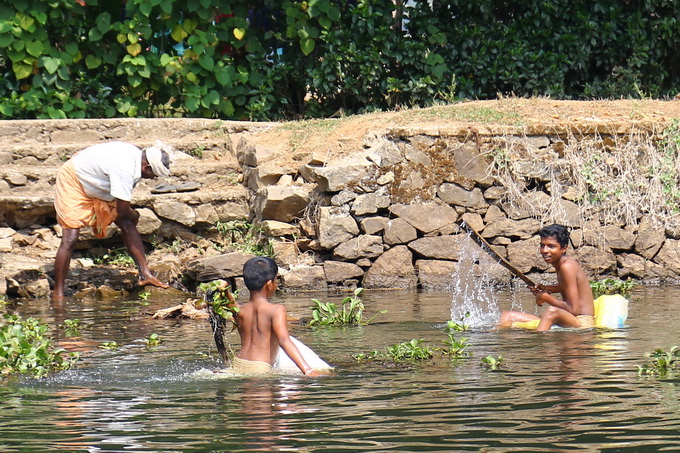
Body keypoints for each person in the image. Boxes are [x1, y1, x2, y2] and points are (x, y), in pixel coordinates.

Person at [52, 141, 171, 300]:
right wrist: (135, 215)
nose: (152, 178)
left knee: (127, 223)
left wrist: (130, 216)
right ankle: (57, 292)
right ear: (147, 168)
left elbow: (122, 210)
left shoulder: (136, 158)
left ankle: (145, 274)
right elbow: (123, 211)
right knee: (70, 238)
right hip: (74, 180)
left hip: (98, 185)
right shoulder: (125, 168)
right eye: (153, 175)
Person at [222, 256, 323, 376]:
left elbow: (230, 304)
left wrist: (224, 290)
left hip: (238, 364)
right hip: (260, 368)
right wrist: (308, 370)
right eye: (276, 281)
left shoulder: (240, 310)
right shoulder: (276, 310)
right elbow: (284, 341)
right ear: (269, 284)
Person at [499, 224, 595, 331]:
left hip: (582, 322)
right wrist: (547, 288)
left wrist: (545, 297)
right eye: (542, 245)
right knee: (507, 315)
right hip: (569, 318)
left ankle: (539, 343)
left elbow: (574, 309)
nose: (544, 250)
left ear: (564, 248)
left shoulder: (567, 266)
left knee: (551, 311)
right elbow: (567, 287)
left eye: (551, 246)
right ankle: (497, 342)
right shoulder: (561, 264)